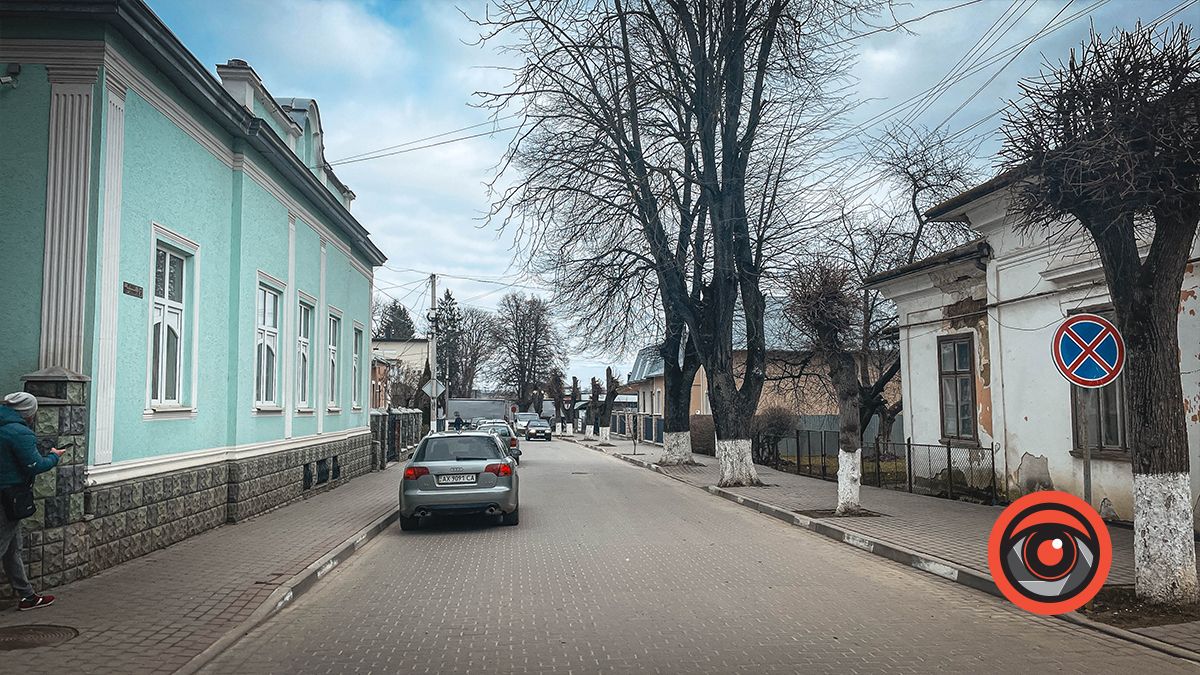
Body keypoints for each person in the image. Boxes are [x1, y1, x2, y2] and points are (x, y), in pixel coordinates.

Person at [0, 392, 64, 611]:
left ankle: (27, 596)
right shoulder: (19, 432)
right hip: (9, 497)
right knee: (3, 545)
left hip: (8, 495)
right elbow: (34, 465)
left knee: (12, 548)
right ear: (28, 412)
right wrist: (54, 456)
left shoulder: (4, 425)